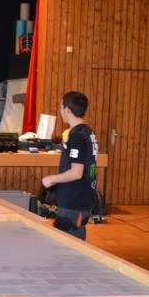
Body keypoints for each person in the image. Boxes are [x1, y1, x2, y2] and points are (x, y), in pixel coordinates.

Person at [41, 91, 98, 240]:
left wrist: (51, 179)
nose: (60, 111)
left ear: (67, 110)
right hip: (81, 198)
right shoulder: (87, 132)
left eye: (61, 107)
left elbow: (76, 173)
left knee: (67, 244)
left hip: (74, 201)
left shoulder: (77, 136)